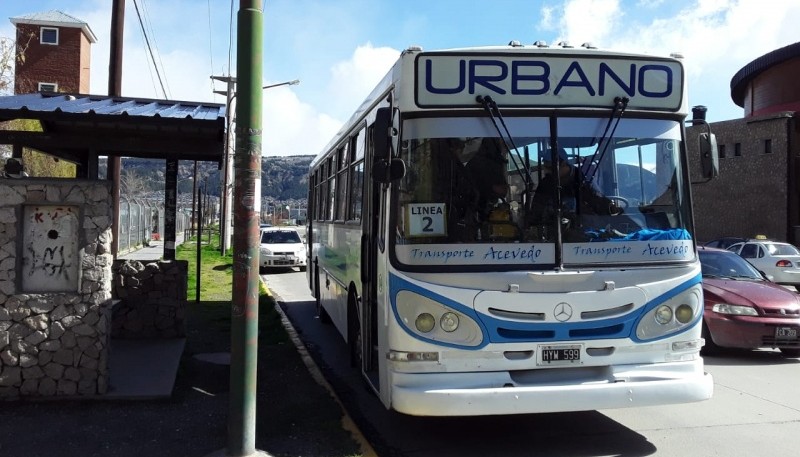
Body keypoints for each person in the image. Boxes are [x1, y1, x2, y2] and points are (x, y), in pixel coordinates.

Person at [532, 147, 620, 221]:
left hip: (580, 231)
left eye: (549, 167)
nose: (546, 171)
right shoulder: (545, 184)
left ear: (563, 164)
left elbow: (594, 198)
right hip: (552, 232)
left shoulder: (581, 181)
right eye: (545, 167)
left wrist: (610, 208)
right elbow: (536, 208)